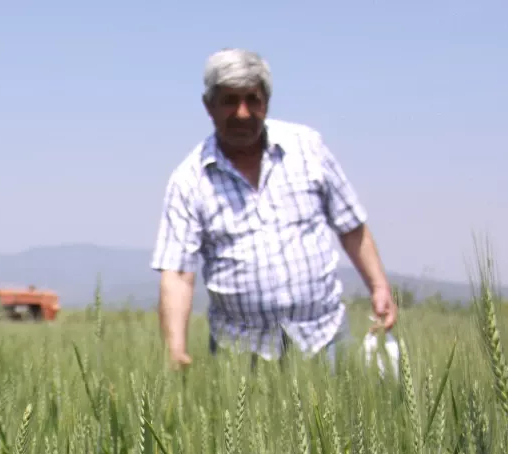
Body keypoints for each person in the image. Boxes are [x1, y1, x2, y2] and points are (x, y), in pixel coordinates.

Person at [151, 48, 397, 370]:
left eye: (252, 99)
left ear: (266, 101)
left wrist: (378, 286)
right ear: (209, 107)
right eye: (229, 100)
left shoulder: (308, 147)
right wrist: (176, 348)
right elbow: (179, 273)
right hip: (240, 354)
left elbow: (350, 226)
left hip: (325, 339)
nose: (242, 112)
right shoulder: (188, 180)